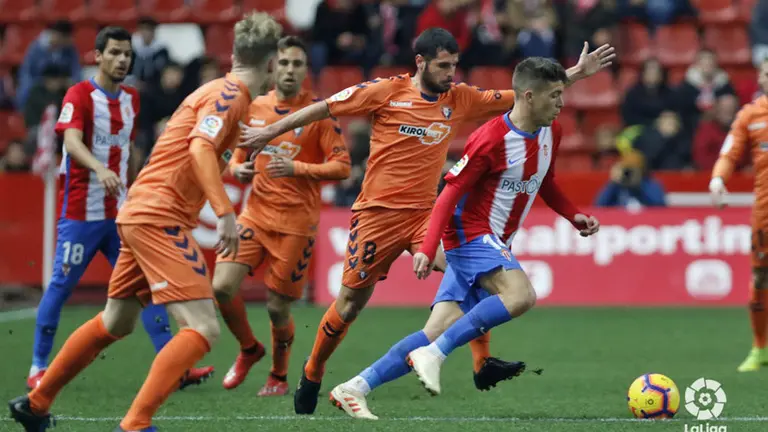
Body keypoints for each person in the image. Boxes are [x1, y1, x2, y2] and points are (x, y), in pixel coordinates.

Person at [240, 27, 615, 415]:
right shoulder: (385, 91)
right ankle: (314, 370)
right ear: (420, 63)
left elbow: (524, 96)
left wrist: (576, 72)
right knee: (349, 305)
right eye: (442, 66)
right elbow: (327, 107)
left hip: (428, 216)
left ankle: (480, 363)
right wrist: (270, 130)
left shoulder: (460, 98)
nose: (451, 73)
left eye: (454, 65)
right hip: (377, 216)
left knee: (480, 276)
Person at [8, 12, 281, 432]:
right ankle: (135, 424)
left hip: (139, 209)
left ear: (233, 54)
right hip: (159, 215)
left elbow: (191, 149)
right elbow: (199, 151)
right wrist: (225, 211)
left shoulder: (216, 90)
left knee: (116, 320)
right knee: (204, 328)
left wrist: (230, 167)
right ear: (271, 63)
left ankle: (37, 402)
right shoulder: (231, 97)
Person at [327, 57, 601, 419]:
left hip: (494, 242)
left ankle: (354, 388)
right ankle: (436, 355)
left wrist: (573, 215)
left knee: (435, 330)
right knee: (520, 295)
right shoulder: (491, 138)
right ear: (529, 96)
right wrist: (427, 249)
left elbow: (545, 183)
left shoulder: (553, 132)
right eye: (554, 96)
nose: (561, 104)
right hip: (470, 235)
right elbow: (448, 196)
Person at [25, 26, 212, 392]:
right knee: (61, 288)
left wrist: (136, 179)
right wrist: (98, 168)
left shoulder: (132, 99)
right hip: (82, 214)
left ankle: (174, 368)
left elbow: (129, 150)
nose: (122, 59)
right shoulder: (78, 95)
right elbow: (71, 140)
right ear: (98, 56)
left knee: (147, 287)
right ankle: (37, 366)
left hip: (123, 215)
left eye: (127, 54)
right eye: (114, 53)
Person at [214, 35, 351, 396]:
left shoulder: (319, 114)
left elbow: (342, 167)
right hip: (254, 217)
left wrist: (296, 167)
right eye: (284, 63)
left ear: (306, 71)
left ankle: (277, 375)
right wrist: (237, 171)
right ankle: (249, 348)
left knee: (277, 308)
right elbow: (235, 155)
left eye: (297, 64)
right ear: (274, 67)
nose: (290, 70)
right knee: (221, 288)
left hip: (296, 226)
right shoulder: (254, 106)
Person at [709, 59, 768, 373]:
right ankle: (760, 348)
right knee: (761, 278)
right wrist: (718, 179)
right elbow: (729, 153)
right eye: (766, 74)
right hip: (765, 213)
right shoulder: (750, 114)